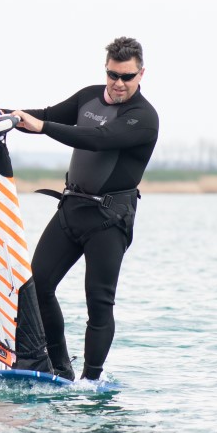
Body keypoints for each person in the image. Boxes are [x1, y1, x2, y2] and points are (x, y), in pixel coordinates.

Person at [9, 36, 158, 382]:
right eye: (113, 75)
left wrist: (43, 127)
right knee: (37, 286)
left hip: (108, 220)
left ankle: (91, 382)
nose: (118, 83)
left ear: (141, 74)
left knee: (99, 303)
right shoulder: (88, 97)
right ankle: (60, 369)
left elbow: (97, 139)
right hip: (71, 209)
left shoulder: (143, 117)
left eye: (127, 77)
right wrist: (4, 116)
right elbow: (44, 116)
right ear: (105, 70)